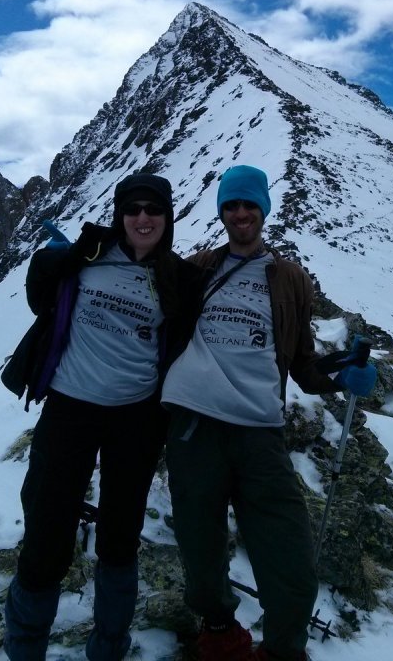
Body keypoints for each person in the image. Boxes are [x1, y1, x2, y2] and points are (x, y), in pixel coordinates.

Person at [161, 165, 377, 661]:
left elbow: (301, 360)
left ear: (263, 210)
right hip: (195, 424)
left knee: (289, 556)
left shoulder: (290, 279)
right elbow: (146, 293)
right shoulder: (198, 269)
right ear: (221, 213)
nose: (240, 214)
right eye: (231, 206)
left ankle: (282, 650)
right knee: (200, 546)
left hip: (260, 430)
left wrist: (340, 377)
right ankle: (219, 632)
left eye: (249, 205)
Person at [1, 173, 201, 661]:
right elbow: (39, 286)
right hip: (69, 410)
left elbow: (192, 334)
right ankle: (25, 648)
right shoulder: (88, 256)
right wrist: (59, 256)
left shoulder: (175, 276)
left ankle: (109, 648)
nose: (143, 218)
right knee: (47, 535)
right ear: (119, 213)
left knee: (119, 538)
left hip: (136, 419)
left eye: (154, 209)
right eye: (132, 208)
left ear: (167, 217)